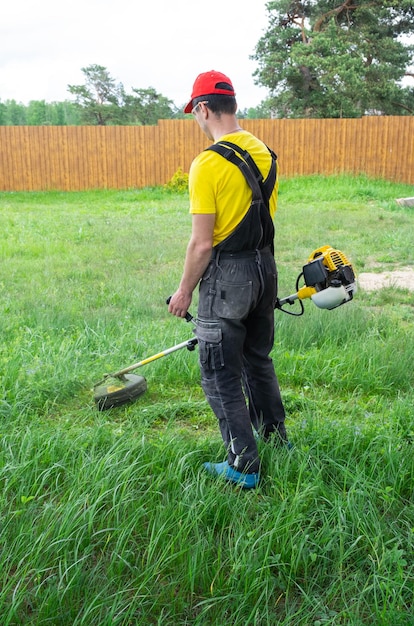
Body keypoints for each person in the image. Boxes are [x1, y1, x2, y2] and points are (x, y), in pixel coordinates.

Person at [168, 70, 287, 489]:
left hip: (229, 277)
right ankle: (276, 439)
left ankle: (243, 464)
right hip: (265, 268)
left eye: (195, 113)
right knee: (258, 360)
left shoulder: (207, 163)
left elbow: (202, 244)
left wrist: (184, 292)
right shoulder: (266, 151)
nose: (196, 120)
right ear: (232, 104)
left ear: (203, 109)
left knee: (220, 371)